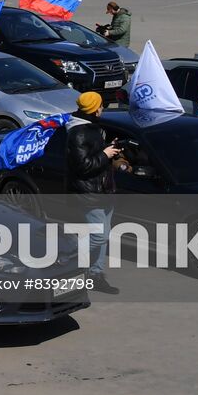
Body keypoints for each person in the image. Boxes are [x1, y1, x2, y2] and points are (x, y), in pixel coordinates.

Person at [65, 91, 125, 295]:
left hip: (103, 189)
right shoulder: (78, 132)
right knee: (99, 235)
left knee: (103, 235)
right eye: (101, 105)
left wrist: (108, 148)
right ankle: (66, 260)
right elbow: (83, 166)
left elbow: (92, 154)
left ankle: (95, 274)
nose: (103, 109)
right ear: (94, 108)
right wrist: (105, 154)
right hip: (89, 192)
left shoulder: (91, 128)